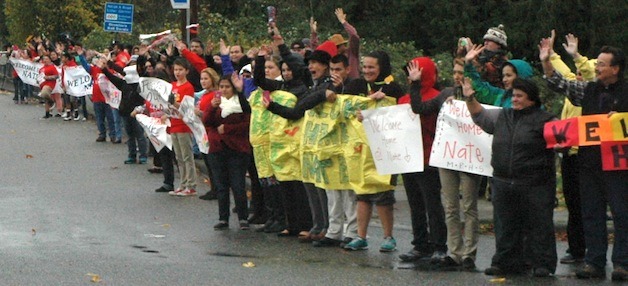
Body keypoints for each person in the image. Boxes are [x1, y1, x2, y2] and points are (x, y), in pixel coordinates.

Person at [540, 41, 628, 282]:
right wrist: (546, 61)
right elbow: (560, 84)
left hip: (619, 166)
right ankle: (594, 262)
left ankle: (622, 263)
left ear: (616, 69)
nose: (597, 68)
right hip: (589, 164)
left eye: (601, 64)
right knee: (591, 214)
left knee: (622, 214)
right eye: (597, 63)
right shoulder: (589, 90)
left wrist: (620, 119)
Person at [463, 77, 558, 277]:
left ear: (531, 99)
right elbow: (480, 116)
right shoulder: (502, 116)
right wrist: (470, 98)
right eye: (513, 95)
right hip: (503, 181)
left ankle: (542, 264)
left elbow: (564, 139)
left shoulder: (546, 120)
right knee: (505, 225)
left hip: (536, 183)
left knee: (540, 226)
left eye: (519, 96)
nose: (514, 99)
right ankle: (505, 262)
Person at [404, 57, 481, 271]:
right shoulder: (445, 94)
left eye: (461, 72)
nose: (457, 76)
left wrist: (470, 100)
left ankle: (469, 254)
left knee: (468, 206)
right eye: (455, 72)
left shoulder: (480, 94)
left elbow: (488, 118)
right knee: (450, 206)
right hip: (449, 156)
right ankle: (454, 253)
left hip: (470, 157)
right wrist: (415, 84)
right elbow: (419, 108)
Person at [544, 30, 595, 265]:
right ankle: (576, 250)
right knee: (573, 204)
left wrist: (578, 58)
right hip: (569, 153)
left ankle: (589, 250)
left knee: (588, 205)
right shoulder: (573, 84)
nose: (580, 75)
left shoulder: (591, 93)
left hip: (587, 152)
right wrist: (552, 55)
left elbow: (588, 71)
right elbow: (563, 73)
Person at [345, 50, 405, 252]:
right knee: (362, 193)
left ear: (382, 67)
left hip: (385, 149)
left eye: (372, 67)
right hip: (361, 149)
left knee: (383, 195)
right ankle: (360, 236)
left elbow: (401, 115)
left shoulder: (394, 88)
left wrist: (379, 104)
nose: (367, 70)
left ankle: (389, 237)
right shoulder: (356, 86)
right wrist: (363, 107)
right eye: (365, 66)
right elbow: (345, 108)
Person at [203, 74, 252, 230]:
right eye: (221, 87)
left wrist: (228, 129)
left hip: (237, 148)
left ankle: (243, 217)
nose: (224, 90)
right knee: (221, 185)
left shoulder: (241, 103)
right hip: (217, 148)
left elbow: (247, 123)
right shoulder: (216, 103)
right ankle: (223, 218)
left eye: (227, 87)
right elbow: (207, 122)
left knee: (238, 184)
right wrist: (212, 107)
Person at [167, 58, 199, 196]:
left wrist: (175, 104)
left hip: (183, 124)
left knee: (187, 156)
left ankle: (191, 185)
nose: (177, 72)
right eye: (175, 70)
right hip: (173, 123)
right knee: (179, 157)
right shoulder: (173, 85)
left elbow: (187, 107)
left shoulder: (188, 87)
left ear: (186, 71)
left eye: (180, 70)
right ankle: (182, 183)